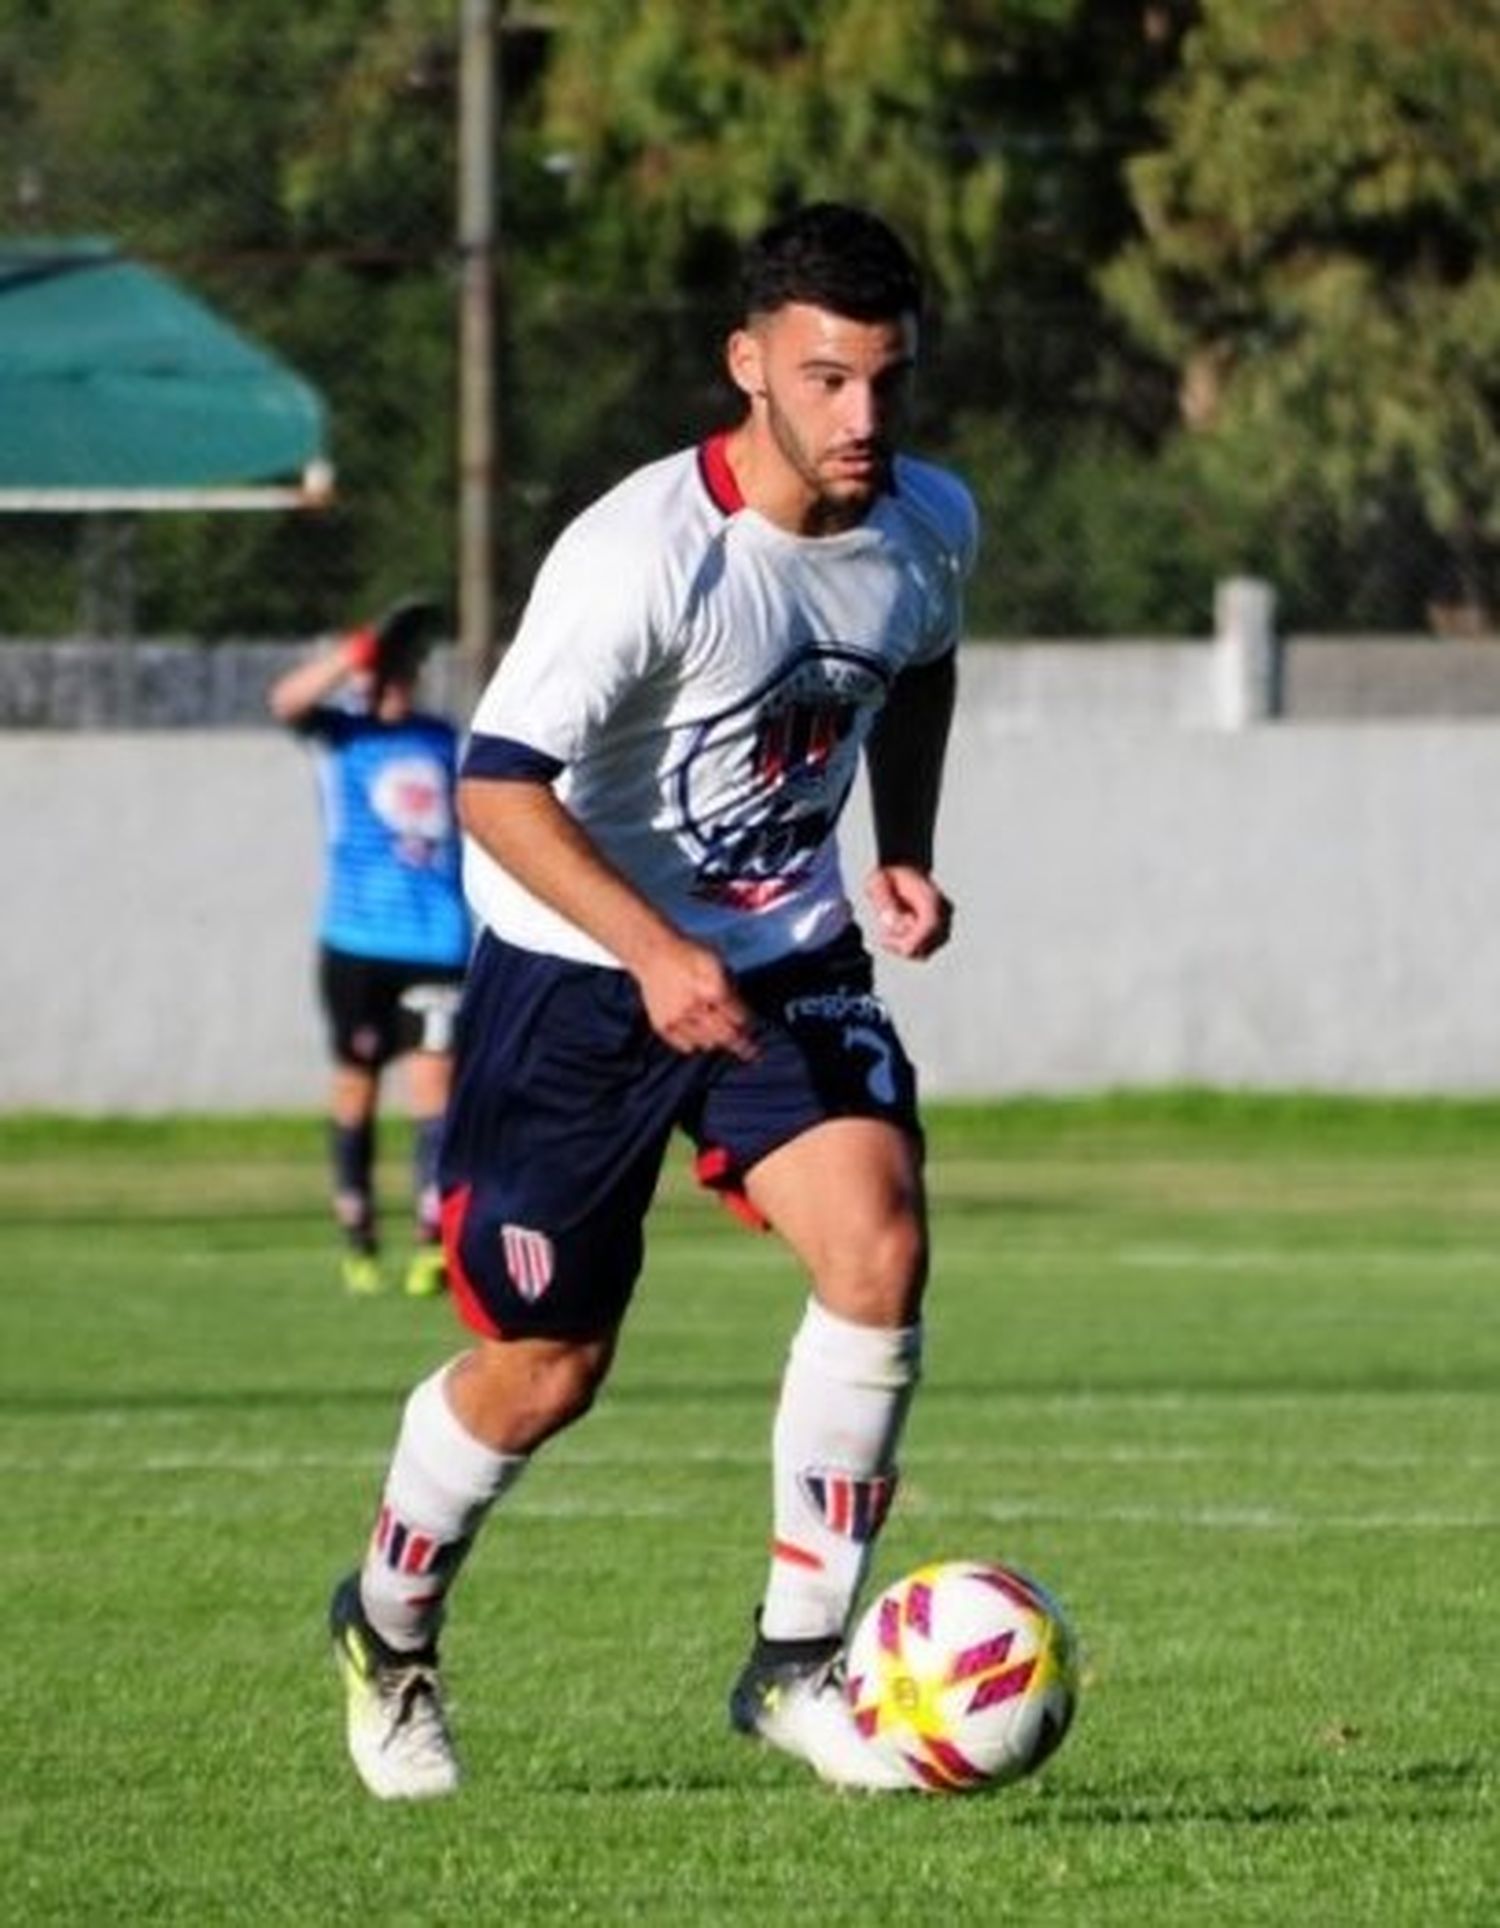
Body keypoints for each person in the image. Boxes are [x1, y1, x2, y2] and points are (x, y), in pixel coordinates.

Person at [328, 201, 979, 1798]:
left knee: (878, 1238)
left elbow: (919, 659)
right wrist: (648, 948)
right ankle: (389, 1627)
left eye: (887, 381)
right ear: (748, 366)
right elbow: (494, 786)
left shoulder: (930, 519)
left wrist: (903, 847)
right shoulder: (644, 558)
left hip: (784, 955)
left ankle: (800, 1663)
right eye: (827, 381)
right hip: (574, 978)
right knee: (552, 1362)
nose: (864, 419)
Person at [269, 598, 471, 1299]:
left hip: (437, 941)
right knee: (356, 1082)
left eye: (410, 669)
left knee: (434, 1084)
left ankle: (432, 1239)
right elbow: (286, 698)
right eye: (394, 668)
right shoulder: (339, 734)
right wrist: (357, 651)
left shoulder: (442, 739)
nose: (402, 681)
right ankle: (357, 1232)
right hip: (356, 941)